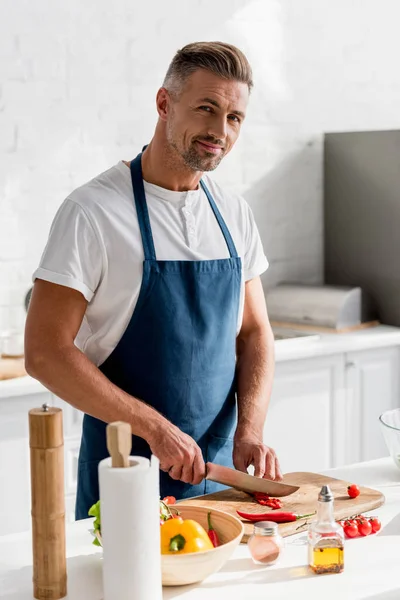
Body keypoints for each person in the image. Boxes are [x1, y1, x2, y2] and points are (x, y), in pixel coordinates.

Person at [25, 41, 282, 520]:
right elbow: (44, 352)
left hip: (222, 483)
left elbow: (255, 333)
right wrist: (155, 429)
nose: (219, 131)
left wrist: (250, 431)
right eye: (206, 108)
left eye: (234, 118)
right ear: (164, 103)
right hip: (125, 477)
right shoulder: (93, 211)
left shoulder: (233, 213)